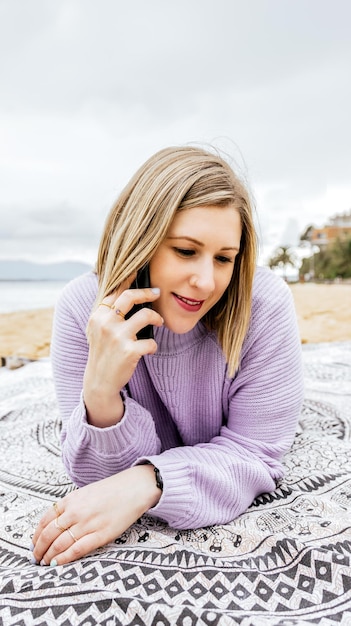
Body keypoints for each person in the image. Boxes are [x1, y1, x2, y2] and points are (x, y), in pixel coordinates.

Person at [31, 145, 304, 567]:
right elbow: (95, 479)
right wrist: (102, 395)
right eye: (186, 250)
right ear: (142, 238)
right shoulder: (83, 309)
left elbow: (255, 454)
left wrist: (150, 481)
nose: (206, 281)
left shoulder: (263, 306)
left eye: (224, 258)